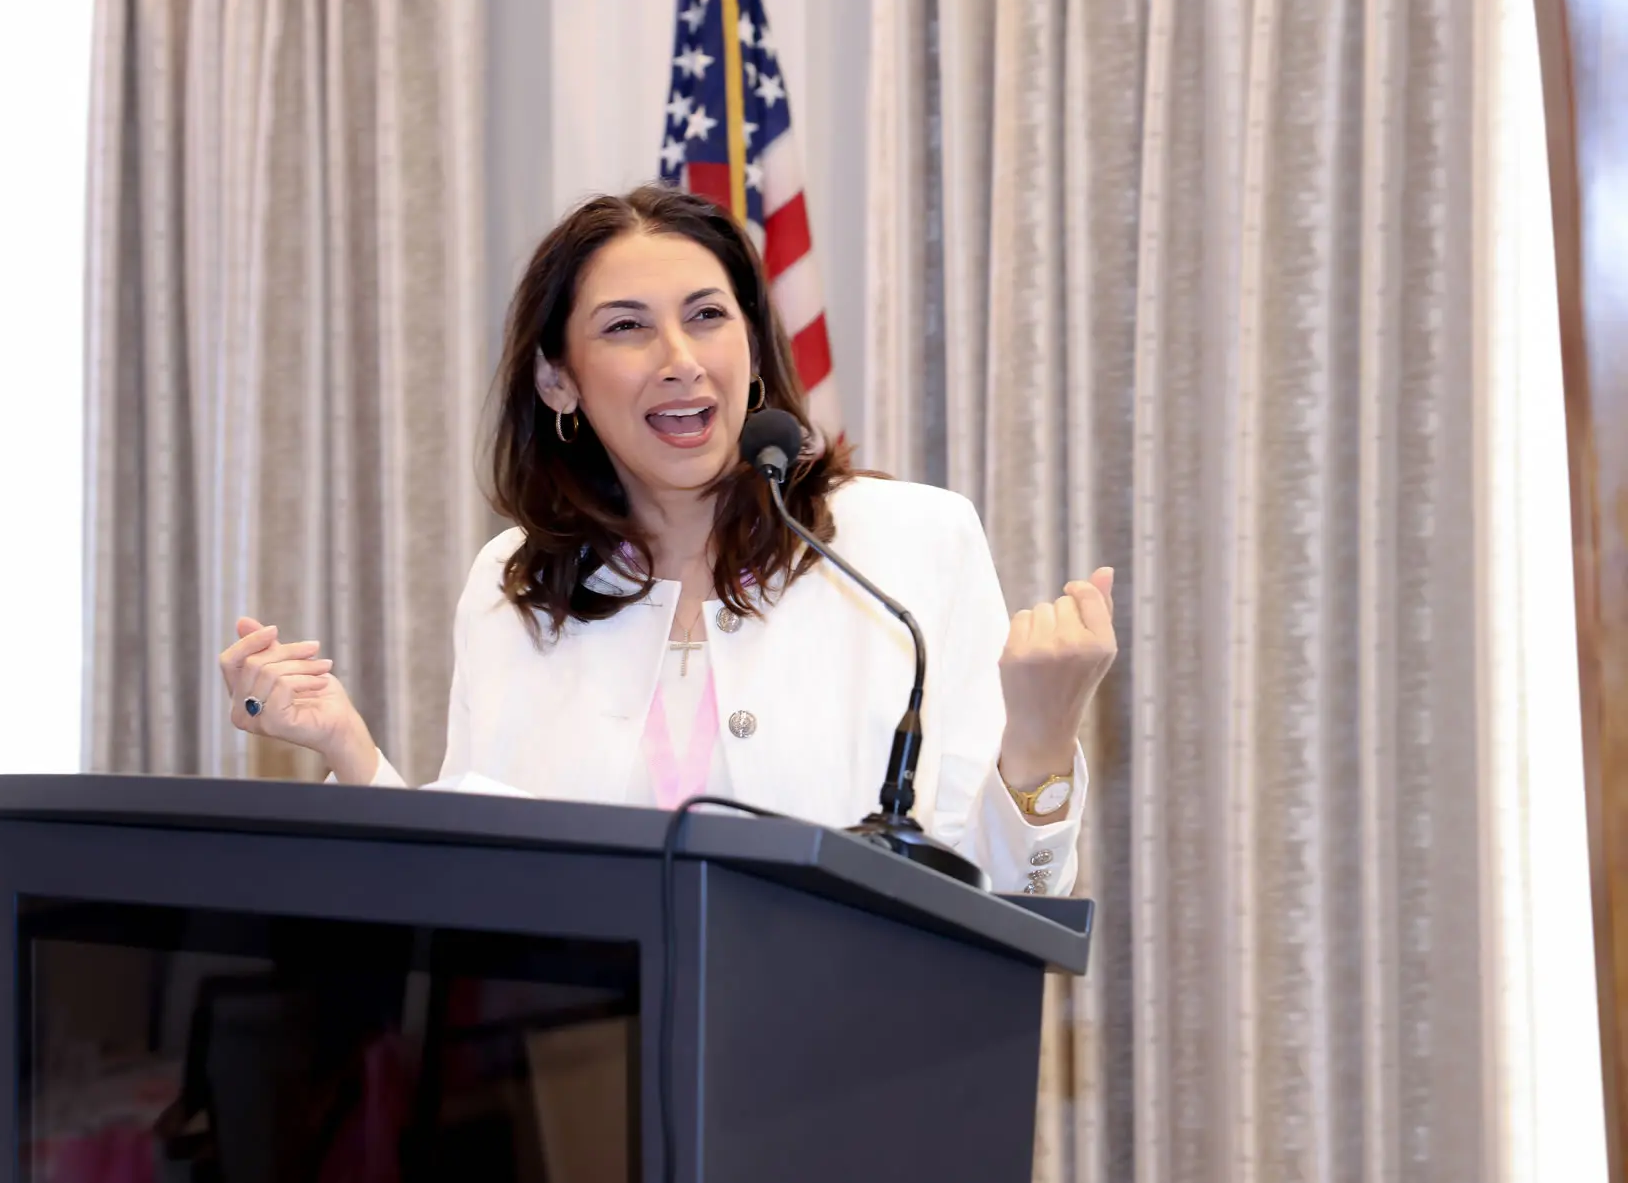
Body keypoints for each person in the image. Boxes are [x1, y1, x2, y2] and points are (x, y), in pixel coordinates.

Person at [218, 185, 1115, 894]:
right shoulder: (513, 585)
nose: (679, 356)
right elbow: (474, 883)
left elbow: (1011, 897)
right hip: (584, 1092)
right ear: (558, 379)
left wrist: (1038, 738)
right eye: (626, 327)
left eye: (708, 315)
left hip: (848, 1077)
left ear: (755, 349)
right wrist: (349, 751)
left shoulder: (911, 544)